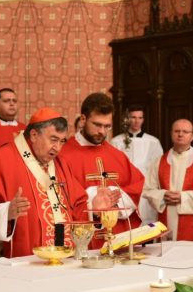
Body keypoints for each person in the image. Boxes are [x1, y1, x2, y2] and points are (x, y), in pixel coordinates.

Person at [0, 108, 117, 261]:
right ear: (34, 135)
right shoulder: (1, 159)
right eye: (53, 139)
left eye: (62, 141)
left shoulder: (60, 164)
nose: (57, 148)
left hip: (63, 257)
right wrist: (7, 213)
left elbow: (75, 206)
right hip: (21, 260)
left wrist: (93, 209)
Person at [60, 93, 145, 248]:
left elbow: (137, 184)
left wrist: (114, 196)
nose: (102, 132)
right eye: (97, 125)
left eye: (107, 126)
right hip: (81, 239)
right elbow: (58, 197)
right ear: (83, 119)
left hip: (117, 238)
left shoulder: (117, 156)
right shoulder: (62, 155)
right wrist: (92, 201)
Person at [142, 119, 193, 242]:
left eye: (185, 131)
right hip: (167, 220)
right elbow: (147, 190)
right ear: (171, 134)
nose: (180, 134)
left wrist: (183, 198)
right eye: (177, 131)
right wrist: (163, 196)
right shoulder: (159, 162)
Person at [110, 105, 163, 226]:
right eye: (133, 117)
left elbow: (157, 167)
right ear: (128, 119)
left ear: (143, 120)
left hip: (145, 187)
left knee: (146, 222)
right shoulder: (116, 141)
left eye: (140, 118)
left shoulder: (153, 142)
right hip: (124, 188)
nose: (137, 121)